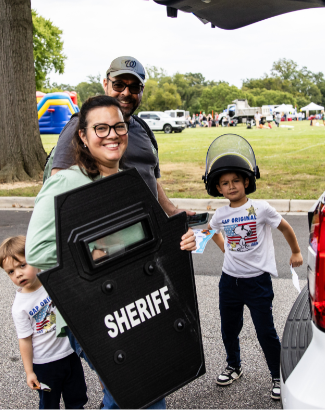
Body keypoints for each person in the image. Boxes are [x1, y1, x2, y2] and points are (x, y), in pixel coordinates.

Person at [28, 96, 199, 409]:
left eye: (118, 127)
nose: (112, 135)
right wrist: (97, 250)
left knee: (135, 392)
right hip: (90, 313)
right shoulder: (67, 181)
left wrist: (181, 242)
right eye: (101, 128)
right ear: (83, 135)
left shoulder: (129, 181)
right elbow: (37, 251)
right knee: (141, 393)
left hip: (133, 305)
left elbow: (146, 243)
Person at [202, 152, 301, 401]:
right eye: (225, 183)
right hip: (229, 281)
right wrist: (223, 245)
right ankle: (234, 366)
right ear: (218, 188)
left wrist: (296, 251)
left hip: (257, 282)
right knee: (228, 329)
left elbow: (285, 227)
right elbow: (210, 231)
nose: (231, 186)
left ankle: (278, 375)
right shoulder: (221, 214)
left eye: (236, 180)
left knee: (265, 331)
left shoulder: (260, 208)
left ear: (247, 181)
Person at [50, 56, 184, 218]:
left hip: (150, 231)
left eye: (134, 87)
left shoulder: (142, 127)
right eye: (118, 85)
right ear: (106, 84)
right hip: (109, 234)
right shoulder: (81, 126)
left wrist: (172, 211)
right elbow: (58, 187)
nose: (126, 93)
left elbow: (150, 179)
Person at [5, 236, 87, 409]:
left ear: (36, 259)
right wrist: (29, 372)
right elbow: (24, 340)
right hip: (45, 364)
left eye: (22, 265)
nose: (18, 273)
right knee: (49, 404)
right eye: (11, 272)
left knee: (77, 400)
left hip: (70, 354)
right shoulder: (19, 307)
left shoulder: (52, 282)